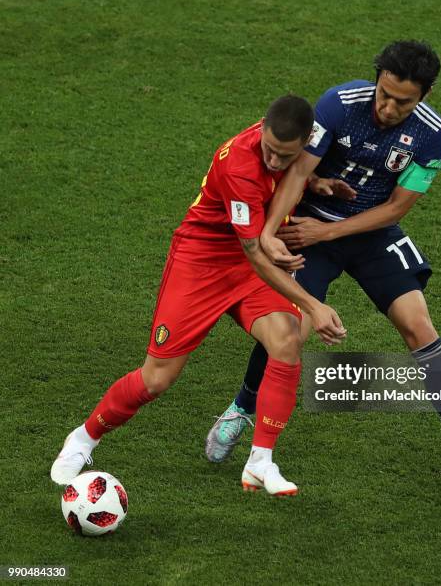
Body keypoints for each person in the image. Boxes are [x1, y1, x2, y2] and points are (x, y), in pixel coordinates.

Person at [206, 41, 441, 491]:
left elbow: (395, 210)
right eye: (383, 93)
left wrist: (325, 234)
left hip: (366, 233)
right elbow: (296, 173)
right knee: (290, 330)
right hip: (310, 223)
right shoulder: (339, 104)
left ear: (424, 94)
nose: (387, 107)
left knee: (418, 326)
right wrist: (271, 230)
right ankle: (242, 408)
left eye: (401, 101)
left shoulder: (435, 135)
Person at [51, 95, 347, 497]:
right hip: (203, 260)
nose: (276, 161)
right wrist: (313, 304)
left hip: (248, 262)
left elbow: (284, 187)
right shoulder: (239, 164)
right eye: (270, 152)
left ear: (305, 141)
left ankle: (261, 461)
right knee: (156, 379)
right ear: (261, 128)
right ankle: (84, 438)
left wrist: (314, 181)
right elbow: (256, 254)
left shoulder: (307, 146)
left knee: (287, 340)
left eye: (286, 156)